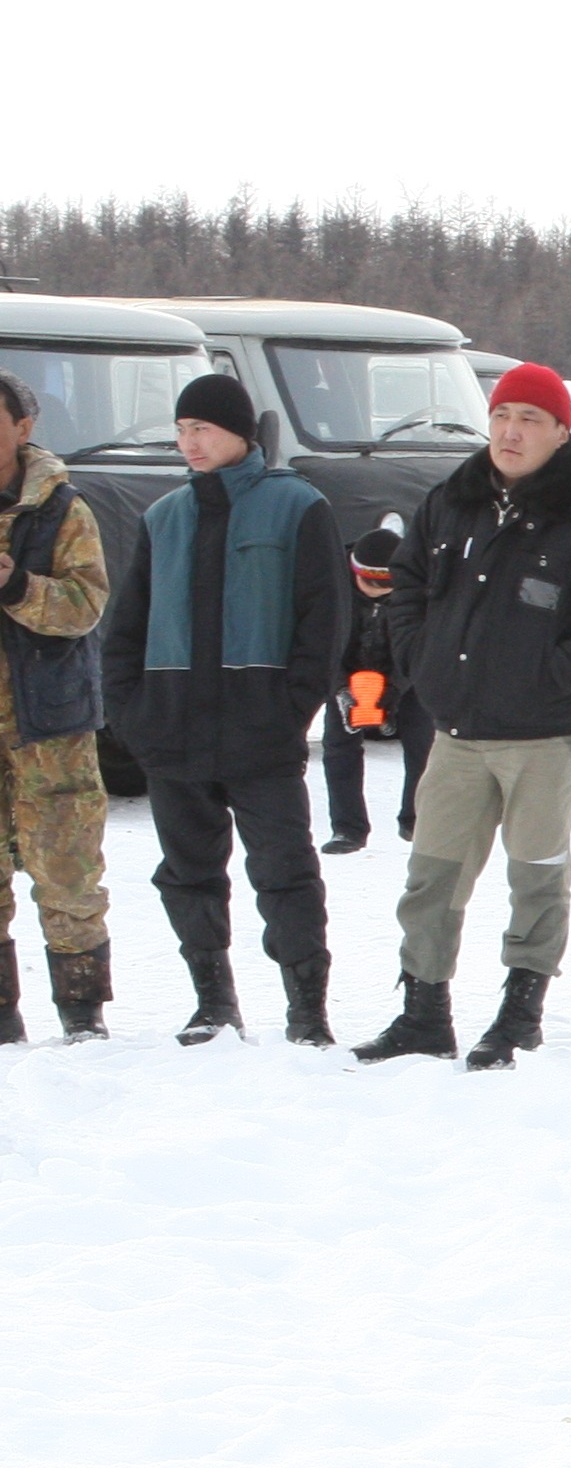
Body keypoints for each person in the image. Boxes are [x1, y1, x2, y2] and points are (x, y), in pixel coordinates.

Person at [355, 363, 571, 1070]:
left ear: (561, 432)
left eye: (529, 419)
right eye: (501, 416)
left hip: (543, 737)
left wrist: (550, 674)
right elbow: (407, 584)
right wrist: (421, 660)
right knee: (431, 876)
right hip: (457, 732)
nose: (511, 432)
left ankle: (520, 1015)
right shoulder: (452, 501)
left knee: (536, 877)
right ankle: (423, 1013)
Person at [99, 374, 345, 1046]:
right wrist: (133, 716)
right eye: (181, 430)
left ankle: (307, 1011)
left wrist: (288, 711)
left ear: (239, 432)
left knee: (286, 873)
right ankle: (213, 1002)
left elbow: (325, 623)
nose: (190, 442)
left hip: (260, 734)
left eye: (202, 428)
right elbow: (125, 630)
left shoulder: (298, 506)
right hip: (172, 735)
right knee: (188, 876)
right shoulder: (163, 517)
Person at [0, 370, 114, 1042]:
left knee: (68, 872)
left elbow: (86, 606)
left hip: (50, 724)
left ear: (23, 428)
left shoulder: (62, 509)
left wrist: (16, 583)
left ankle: (82, 1013)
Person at [316, 520, 431, 853]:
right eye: (368, 583)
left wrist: (394, 689)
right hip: (345, 671)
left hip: (405, 674)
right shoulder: (330, 585)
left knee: (422, 744)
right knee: (339, 748)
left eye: (385, 586)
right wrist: (340, 689)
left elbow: (420, 645)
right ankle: (347, 828)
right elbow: (321, 644)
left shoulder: (419, 589)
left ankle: (416, 819)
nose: (375, 591)